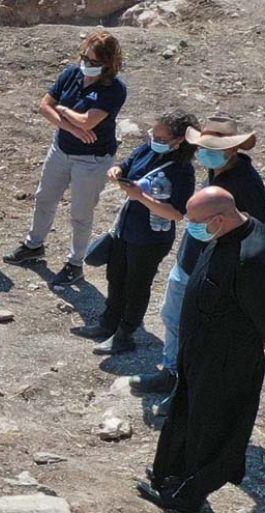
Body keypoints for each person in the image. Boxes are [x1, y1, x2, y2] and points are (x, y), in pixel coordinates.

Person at [137, 187, 265, 512]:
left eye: (197, 223)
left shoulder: (249, 256)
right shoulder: (231, 231)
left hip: (226, 359)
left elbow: (261, 308)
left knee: (212, 428)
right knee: (185, 412)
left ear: (219, 219)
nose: (192, 229)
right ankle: (169, 473)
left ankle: (187, 496)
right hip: (200, 350)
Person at [129, 115, 265, 411]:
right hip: (190, 265)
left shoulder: (244, 182)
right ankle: (171, 374)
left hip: (208, 276)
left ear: (233, 150)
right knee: (173, 321)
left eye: (211, 148)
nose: (203, 153)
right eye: (203, 147)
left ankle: (183, 395)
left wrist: (231, 268)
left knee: (194, 337)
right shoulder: (218, 171)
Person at [3, 32, 127, 286]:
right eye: (85, 58)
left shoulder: (114, 89)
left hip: (92, 160)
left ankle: (75, 263)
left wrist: (64, 110)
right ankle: (34, 246)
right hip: (61, 149)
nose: (86, 65)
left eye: (93, 62)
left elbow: (87, 120)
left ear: (107, 63)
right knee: (44, 198)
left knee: (80, 213)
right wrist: (70, 128)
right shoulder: (72, 74)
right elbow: (44, 106)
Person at [75, 111, 198, 355]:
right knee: (116, 277)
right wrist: (117, 171)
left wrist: (140, 197)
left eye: (163, 138)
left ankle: (125, 334)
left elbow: (176, 214)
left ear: (179, 141)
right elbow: (127, 166)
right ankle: (107, 323)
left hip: (151, 237)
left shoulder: (183, 171)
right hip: (126, 228)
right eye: (155, 135)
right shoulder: (147, 150)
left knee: (136, 286)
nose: (156, 140)